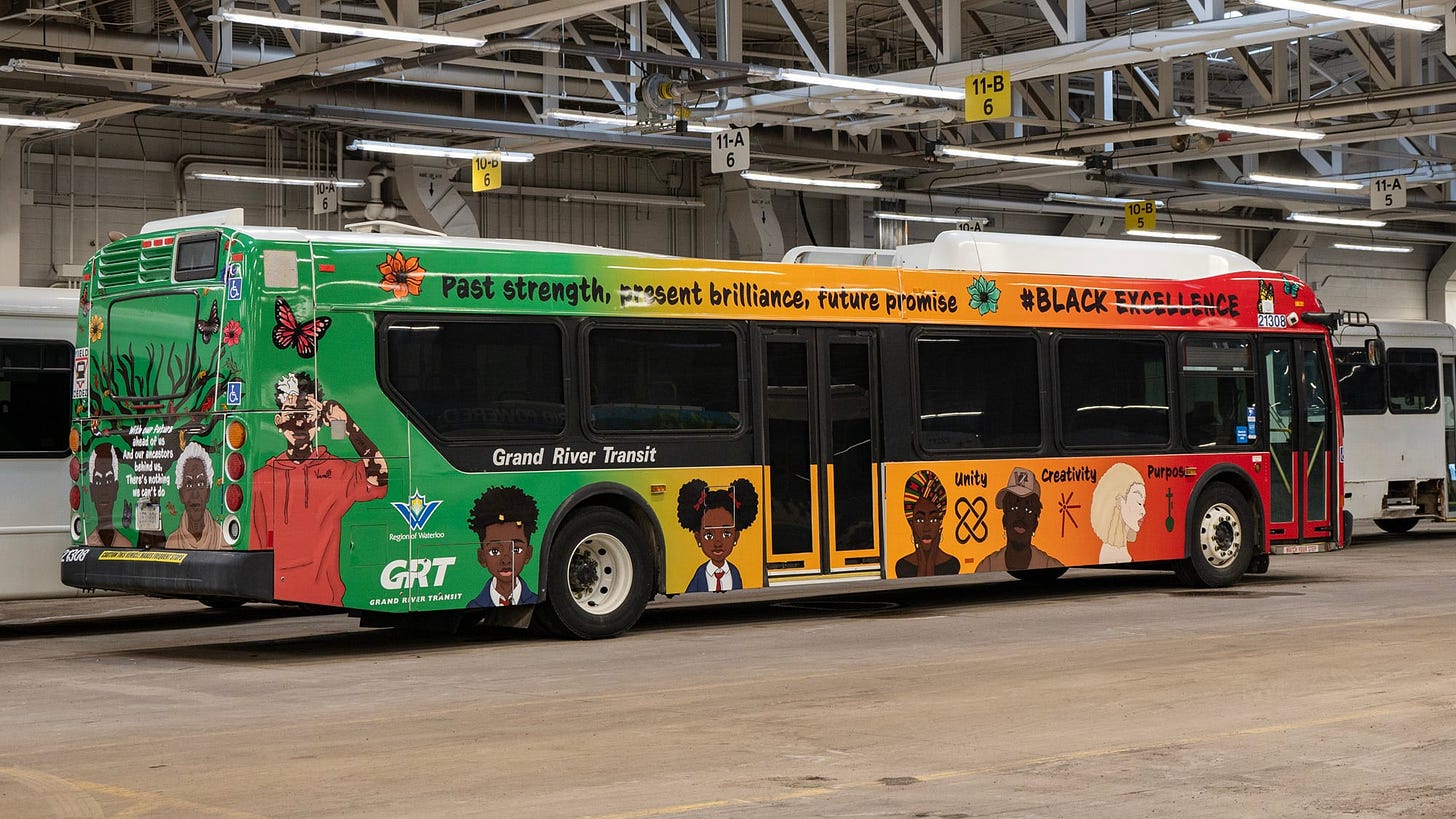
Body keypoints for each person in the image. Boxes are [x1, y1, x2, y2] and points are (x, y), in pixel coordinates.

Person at [249, 371, 388, 606]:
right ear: (278, 421)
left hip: (329, 596)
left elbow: (379, 478)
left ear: (320, 423)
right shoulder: (262, 478)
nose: (301, 423)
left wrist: (347, 426)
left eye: (308, 415)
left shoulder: (337, 470)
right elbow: (256, 543)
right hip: (277, 590)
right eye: (292, 414)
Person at [975, 466, 1064, 573]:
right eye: (1014, 507)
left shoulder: (1051, 567)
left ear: (1035, 524)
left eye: (1028, 510)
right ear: (1004, 519)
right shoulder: (987, 567)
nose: (1020, 516)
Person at [678, 478, 758, 593]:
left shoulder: (734, 572)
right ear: (698, 537)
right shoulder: (700, 574)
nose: (718, 543)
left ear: (736, 536)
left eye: (726, 533)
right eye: (709, 535)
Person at [465, 485, 540, 608]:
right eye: (495, 551)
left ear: (528, 553)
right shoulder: (474, 605)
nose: (506, 560)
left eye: (516, 549)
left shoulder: (535, 601)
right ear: (482, 557)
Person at [894, 469, 960, 577]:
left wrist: (929, 564)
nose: (926, 527)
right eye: (920, 520)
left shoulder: (952, 564)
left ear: (940, 522)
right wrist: (922, 563)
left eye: (933, 519)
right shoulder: (902, 566)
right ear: (911, 523)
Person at [165, 441, 226, 550]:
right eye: (188, 484)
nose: (195, 493)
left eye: (200, 484)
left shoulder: (222, 538)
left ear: (208, 492)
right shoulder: (172, 542)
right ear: (181, 494)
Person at [1092, 462, 1147, 564]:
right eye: (1139, 502)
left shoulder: (1117, 550)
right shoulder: (1112, 552)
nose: (1143, 511)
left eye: (1143, 504)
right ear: (1119, 501)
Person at [85, 442, 133, 548]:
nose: (104, 490)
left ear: (116, 489)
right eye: (98, 481)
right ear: (92, 491)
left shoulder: (126, 545)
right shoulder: (86, 543)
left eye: (108, 480)